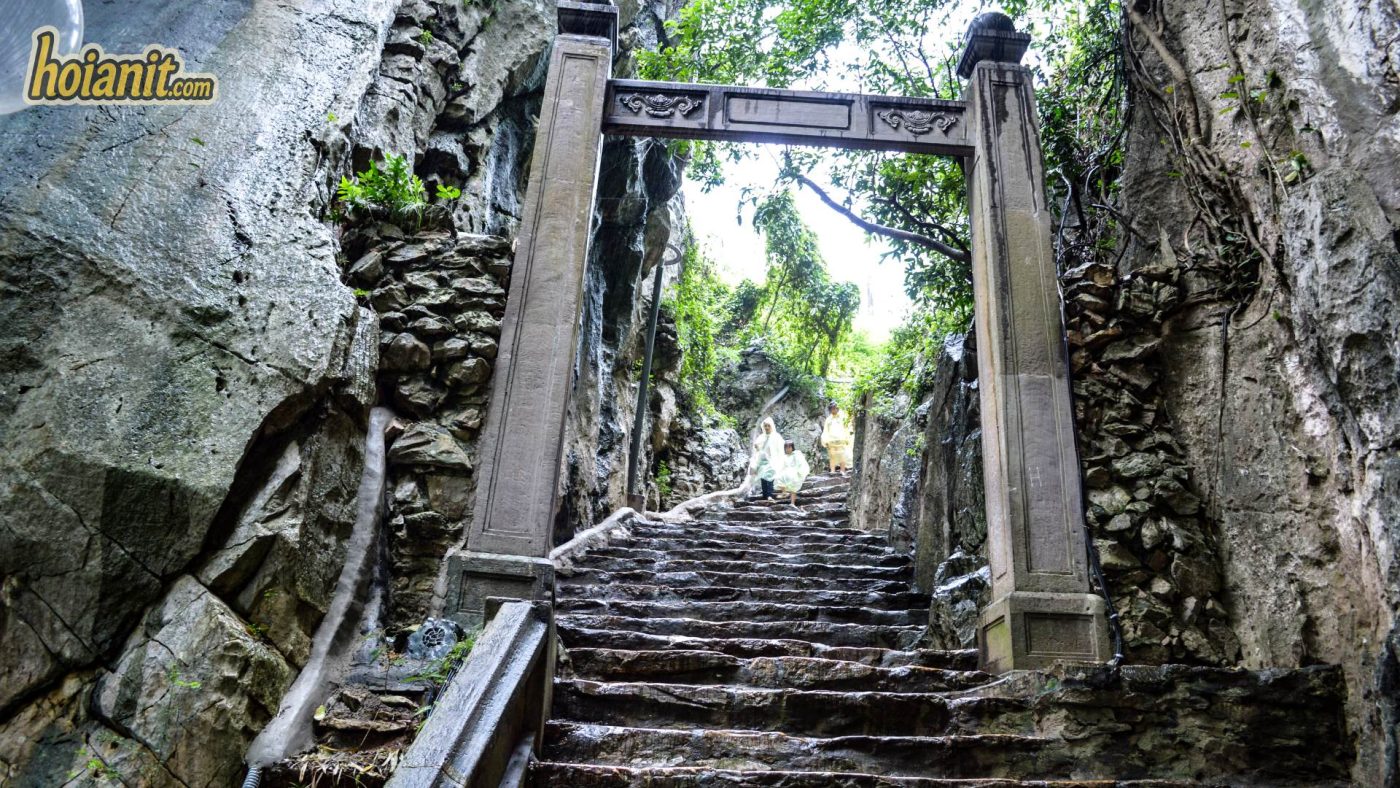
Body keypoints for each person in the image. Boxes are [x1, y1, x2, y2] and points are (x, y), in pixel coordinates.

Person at [751, 417, 784, 500]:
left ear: (771, 426)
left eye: (768, 426)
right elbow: (758, 448)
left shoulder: (776, 436)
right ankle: (765, 494)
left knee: (770, 476)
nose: (766, 428)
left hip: (773, 460)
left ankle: (769, 494)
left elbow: (780, 448)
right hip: (763, 460)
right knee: (763, 476)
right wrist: (757, 447)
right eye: (765, 426)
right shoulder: (761, 437)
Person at [774, 440, 810, 506]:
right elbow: (781, 465)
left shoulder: (796, 455)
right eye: (786, 447)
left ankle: (792, 503)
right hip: (786, 471)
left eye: (789, 447)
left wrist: (799, 471)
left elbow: (800, 463)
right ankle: (784, 492)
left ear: (792, 447)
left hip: (794, 471)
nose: (788, 449)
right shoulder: (784, 456)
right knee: (778, 477)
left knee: (793, 488)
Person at [820, 402, 853, 474]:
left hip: (841, 439)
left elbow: (847, 427)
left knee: (842, 456)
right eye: (831, 409)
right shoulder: (828, 419)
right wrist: (825, 439)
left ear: (837, 408)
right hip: (831, 440)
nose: (833, 410)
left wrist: (847, 437)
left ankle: (842, 470)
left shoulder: (843, 417)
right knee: (832, 456)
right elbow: (826, 430)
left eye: (834, 408)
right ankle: (832, 470)